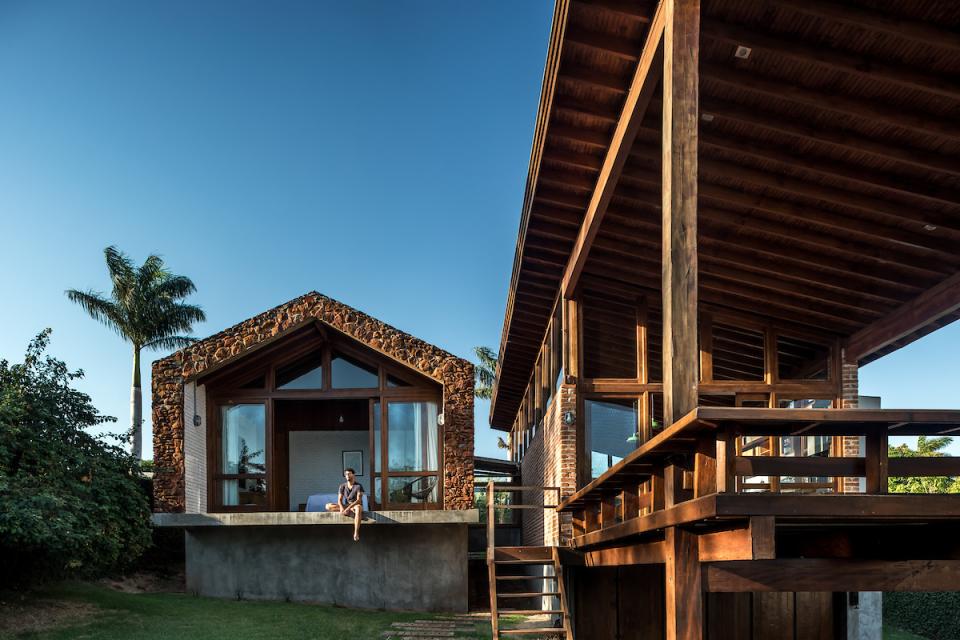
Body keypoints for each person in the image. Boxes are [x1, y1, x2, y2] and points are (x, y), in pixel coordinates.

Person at [325, 468, 364, 541]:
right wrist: (342, 507)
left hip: (356, 505)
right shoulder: (342, 486)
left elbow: (358, 500)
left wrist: (348, 508)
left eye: (349, 474)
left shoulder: (358, 486)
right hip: (347, 506)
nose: (347, 475)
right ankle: (348, 512)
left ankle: (356, 533)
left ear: (353, 475)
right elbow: (339, 500)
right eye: (346, 474)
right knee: (328, 506)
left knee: (358, 508)